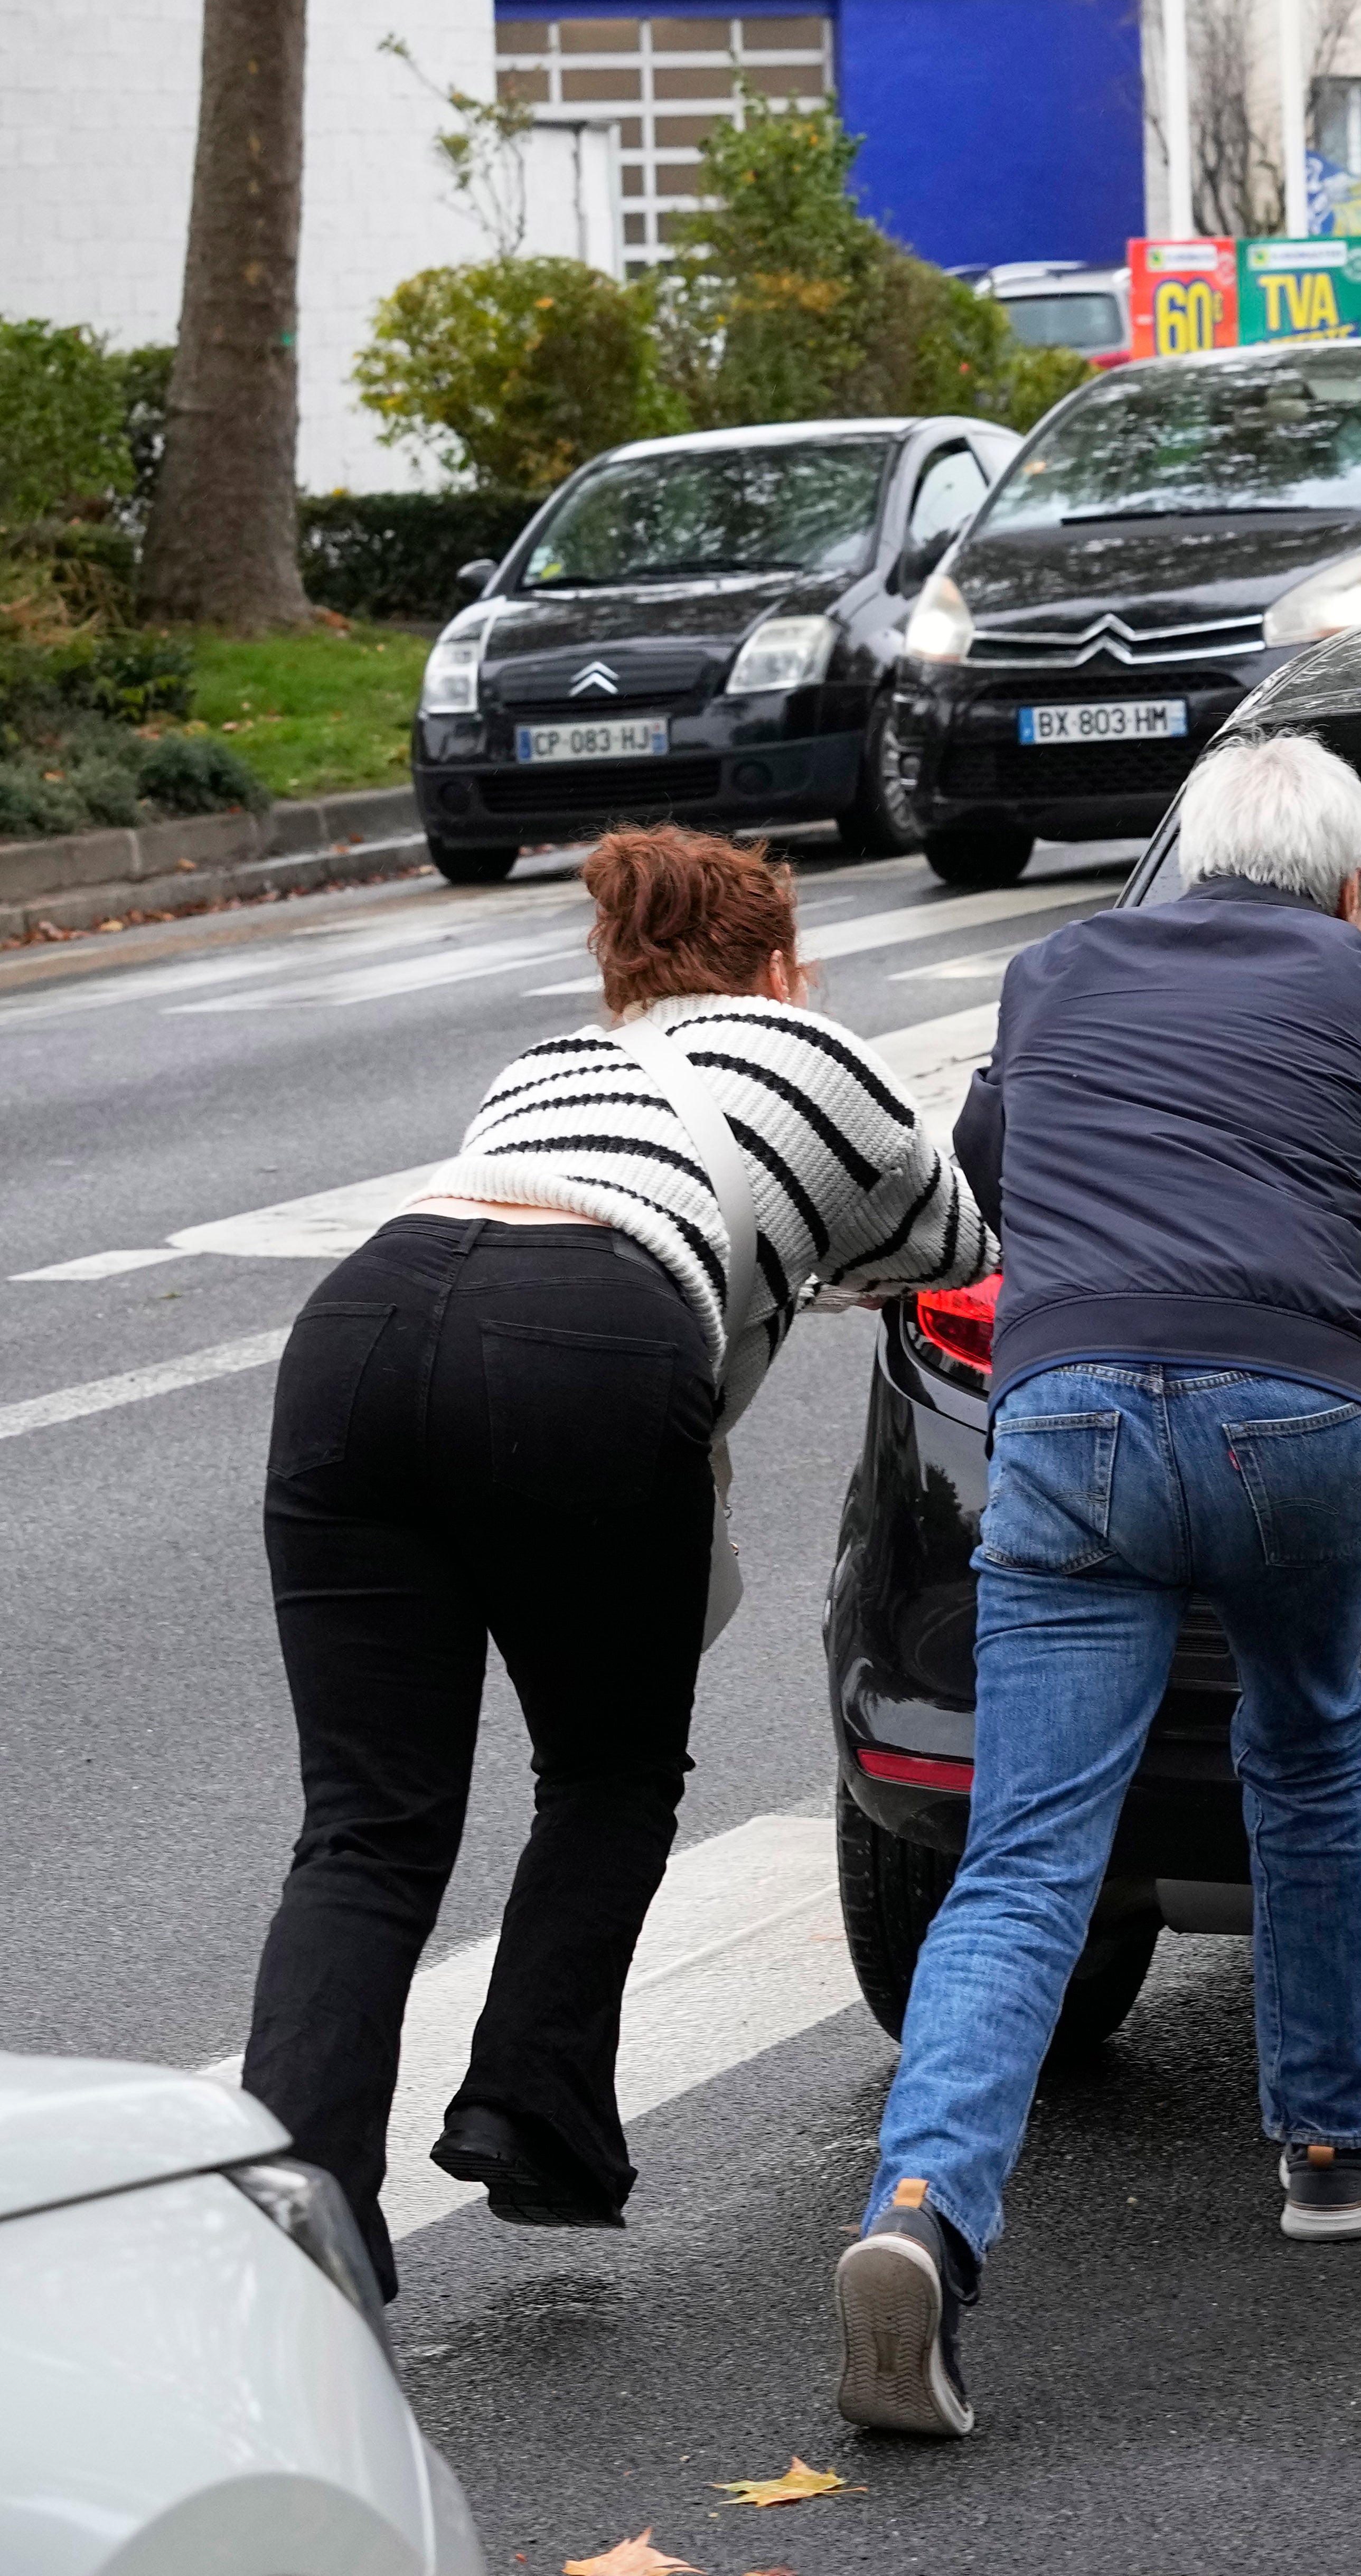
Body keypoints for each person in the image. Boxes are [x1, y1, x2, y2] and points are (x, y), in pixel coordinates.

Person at [835, 731, 1361, 2441]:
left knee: (1023, 1857)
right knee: (1306, 1743)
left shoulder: (1050, 976)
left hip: (1073, 1418)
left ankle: (923, 2214)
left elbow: (996, 1191)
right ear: (1350, 887)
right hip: (1293, 1419)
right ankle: (1328, 2145)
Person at [243, 829, 993, 2293]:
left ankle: (295, 2212)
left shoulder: (543, 1072)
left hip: (357, 1330)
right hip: (588, 1344)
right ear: (780, 964)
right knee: (605, 1768)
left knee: (368, 1826)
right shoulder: (814, 1055)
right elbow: (957, 1241)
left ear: (619, 967)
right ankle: (534, 2111)